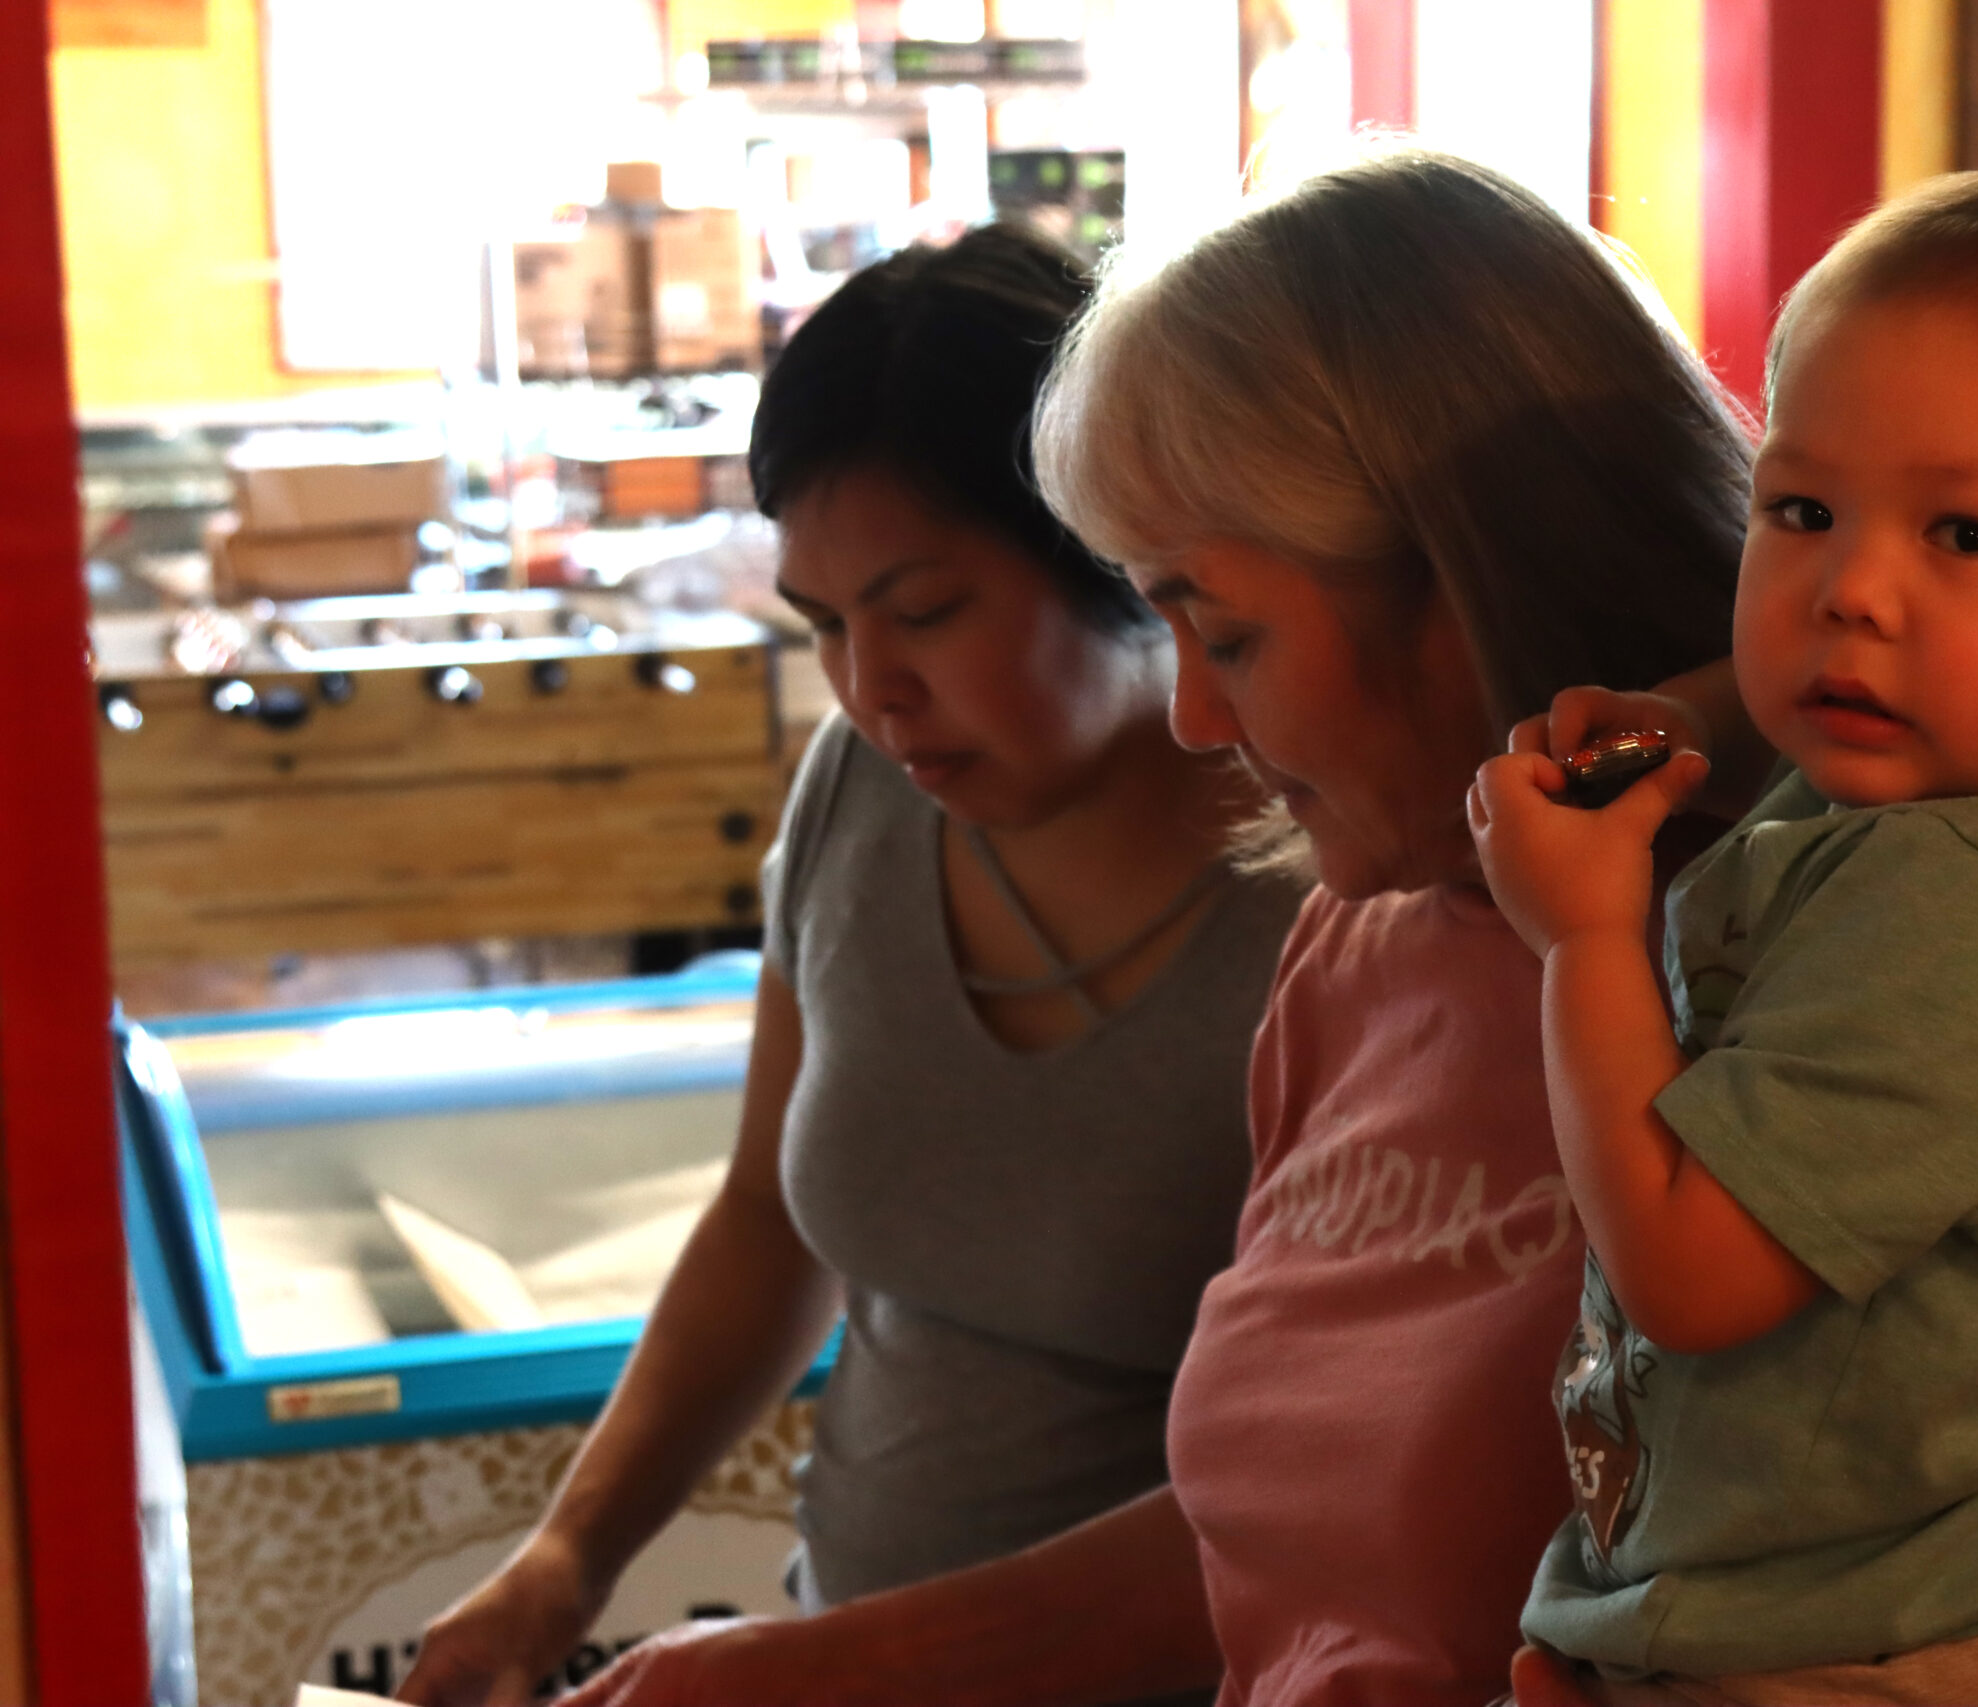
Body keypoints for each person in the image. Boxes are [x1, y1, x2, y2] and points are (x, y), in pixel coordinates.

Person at [543, 151, 1978, 1707]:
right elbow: (1299, 1535)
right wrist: (813, 1664)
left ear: (1451, 577)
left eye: (1222, 627)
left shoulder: (1932, 958)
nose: (1191, 718)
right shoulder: (1362, 944)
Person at [395, 225, 1304, 1707]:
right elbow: (769, 1220)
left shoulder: (1335, 874)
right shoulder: (861, 791)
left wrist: (829, 1669)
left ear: (1116, 553)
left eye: (928, 611)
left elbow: (1330, 1478)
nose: (874, 690)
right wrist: (568, 1558)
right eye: (822, 624)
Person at [1470, 167, 1978, 1703]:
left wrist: (1582, 943)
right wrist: (1694, 711)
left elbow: (1692, 1275)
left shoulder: (1957, 919)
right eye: (1802, 509)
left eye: (1963, 532)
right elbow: (1850, 700)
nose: (1852, 595)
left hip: (1866, 1639)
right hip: (1885, 1584)